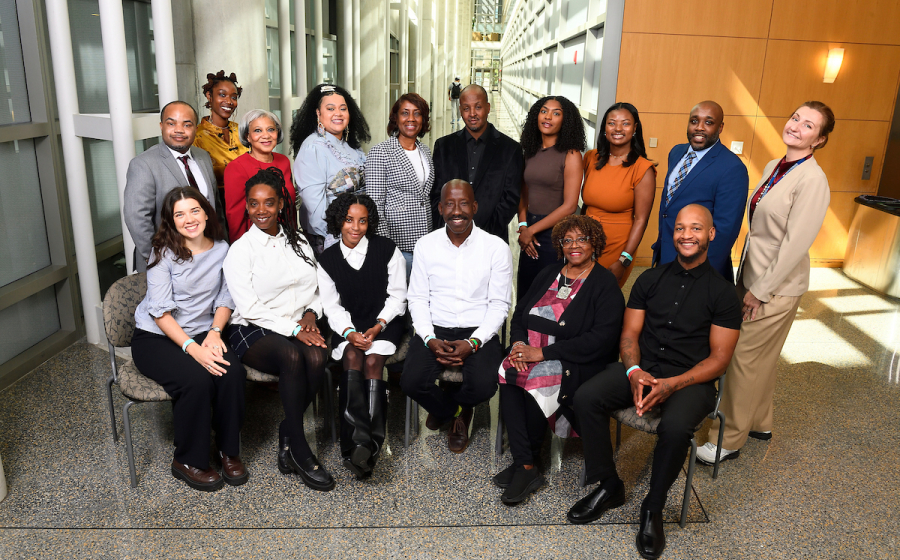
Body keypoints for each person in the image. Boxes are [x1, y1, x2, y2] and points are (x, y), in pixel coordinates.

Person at [568, 204, 742, 560]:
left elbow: (719, 360)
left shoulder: (723, 293)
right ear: (672, 234)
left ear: (711, 234)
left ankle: (653, 507)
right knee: (586, 396)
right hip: (643, 368)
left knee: (677, 428)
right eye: (680, 228)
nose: (686, 235)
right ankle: (609, 485)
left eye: (696, 228)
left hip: (691, 379)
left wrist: (671, 384)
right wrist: (633, 372)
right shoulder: (649, 279)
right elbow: (629, 335)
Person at [698, 102, 835, 466]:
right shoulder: (777, 166)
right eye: (795, 118)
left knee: (744, 358)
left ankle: (726, 439)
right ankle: (760, 421)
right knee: (765, 356)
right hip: (753, 272)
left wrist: (760, 291)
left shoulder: (812, 179)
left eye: (809, 126)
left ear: (819, 140)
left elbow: (795, 244)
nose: (796, 127)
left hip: (775, 285)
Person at [495, 215, 624, 505]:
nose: (574, 245)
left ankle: (524, 464)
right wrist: (518, 345)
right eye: (568, 240)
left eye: (582, 239)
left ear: (595, 243)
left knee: (534, 376)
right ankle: (525, 463)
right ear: (560, 245)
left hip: (575, 363)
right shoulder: (549, 273)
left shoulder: (605, 285)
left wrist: (542, 354)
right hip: (531, 352)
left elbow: (600, 340)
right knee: (507, 368)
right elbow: (520, 315)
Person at [222, 167, 334, 492]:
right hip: (253, 327)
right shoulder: (240, 251)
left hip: (299, 322)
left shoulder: (298, 240)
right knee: (292, 357)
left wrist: (312, 313)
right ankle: (299, 449)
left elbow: (318, 287)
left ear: (281, 204)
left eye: (268, 203)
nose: (261, 211)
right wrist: (294, 329)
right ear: (246, 205)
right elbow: (250, 308)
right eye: (254, 204)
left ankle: (288, 429)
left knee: (317, 357)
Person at [131, 186, 247, 492]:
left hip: (203, 331)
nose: (189, 219)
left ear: (206, 213)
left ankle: (228, 450)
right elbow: (159, 313)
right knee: (196, 381)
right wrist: (193, 349)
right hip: (155, 336)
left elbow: (226, 295)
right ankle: (188, 460)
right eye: (179, 214)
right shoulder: (163, 253)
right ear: (171, 221)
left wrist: (214, 332)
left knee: (232, 372)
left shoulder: (223, 249)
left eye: (195, 210)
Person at [401, 180, 512, 453]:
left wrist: (473, 343)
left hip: (478, 329)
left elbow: (499, 305)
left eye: (463, 203)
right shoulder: (425, 245)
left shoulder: (496, 247)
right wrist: (429, 338)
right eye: (449, 204)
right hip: (436, 326)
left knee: (486, 386)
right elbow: (417, 298)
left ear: (474, 207)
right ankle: (454, 410)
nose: (456, 210)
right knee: (411, 382)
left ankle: (460, 411)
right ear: (440, 208)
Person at [317, 193, 407, 478]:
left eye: (363, 221)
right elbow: (331, 306)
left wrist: (378, 326)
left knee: (372, 362)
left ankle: (367, 444)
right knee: (353, 356)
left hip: (384, 321)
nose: (355, 227)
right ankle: (359, 443)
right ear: (338, 222)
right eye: (348, 220)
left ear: (371, 223)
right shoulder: (327, 260)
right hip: (349, 324)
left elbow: (398, 298)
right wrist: (350, 333)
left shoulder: (388, 250)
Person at [651, 101, 748, 282]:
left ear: (720, 127)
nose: (699, 128)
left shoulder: (732, 167)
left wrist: (700, 272)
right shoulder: (676, 152)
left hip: (698, 267)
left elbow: (725, 230)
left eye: (708, 122)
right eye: (694, 121)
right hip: (666, 254)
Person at [125, 101, 216, 272]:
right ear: (161, 126)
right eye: (171, 123)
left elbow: (213, 206)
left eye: (186, 124)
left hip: (206, 257)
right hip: (166, 263)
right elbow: (136, 217)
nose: (179, 130)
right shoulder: (143, 164)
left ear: (196, 128)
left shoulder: (203, 157)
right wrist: (157, 259)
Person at [431, 84, 524, 242]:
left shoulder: (510, 149)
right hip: (449, 239)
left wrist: (483, 235)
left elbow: (511, 198)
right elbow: (436, 194)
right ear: (460, 110)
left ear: (488, 108)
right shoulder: (443, 146)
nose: (472, 114)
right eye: (466, 108)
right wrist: (451, 229)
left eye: (478, 107)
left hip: (491, 239)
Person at [515, 95, 586, 295]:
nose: (548, 117)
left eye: (556, 113)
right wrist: (523, 226)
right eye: (544, 111)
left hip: (555, 233)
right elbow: (523, 192)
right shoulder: (529, 150)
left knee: (548, 295)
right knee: (525, 290)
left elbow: (570, 205)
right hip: (529, 229)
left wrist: (532, 231)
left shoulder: (571, 154)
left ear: (566, 121)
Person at [582, 102, 657, 287]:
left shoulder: (643, 169)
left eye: (625, 123)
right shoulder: (591, 158)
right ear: (604, 128)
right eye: (611, 123)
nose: (617, 128)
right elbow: (585, 204)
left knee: (600, 298)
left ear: (635, 128)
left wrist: (625, 259)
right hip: (584, 240)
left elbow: (641, 220)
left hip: (617, 245)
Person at [290, 83, 370, 252]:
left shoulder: (351, 146)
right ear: (318, 114)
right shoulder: (313, 148)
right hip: (331, 241)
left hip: (358, 236)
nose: (338, 114)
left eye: (343, 108)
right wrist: (341, 242)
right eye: (330, 108)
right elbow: (316, 212)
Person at [365, 93, 435, 277]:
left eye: (417, 113)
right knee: (400, 301)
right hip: (398, 246)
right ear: (395, 118)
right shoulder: (381, 153)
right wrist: (386, 248)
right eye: (405, 113)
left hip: (425, 243)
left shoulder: (425, 151)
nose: (411, 119)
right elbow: (374, 205)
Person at [224, 109, 294, 242]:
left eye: (271, 129)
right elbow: (235, 216)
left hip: (286, 237)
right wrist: (240, 249)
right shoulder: (236, 167)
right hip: (256, 242)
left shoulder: (284, 161)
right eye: (258, 130)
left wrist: (293, 237)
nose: (266, 135)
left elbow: (289, 207)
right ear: (247, 136)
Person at [193, 71, 248, 189]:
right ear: (209, 96)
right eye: (222, 95)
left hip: (250, 200)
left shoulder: (242, 130)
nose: (229, 101)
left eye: (234, 97)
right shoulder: (197, 137)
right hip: (218, 203)